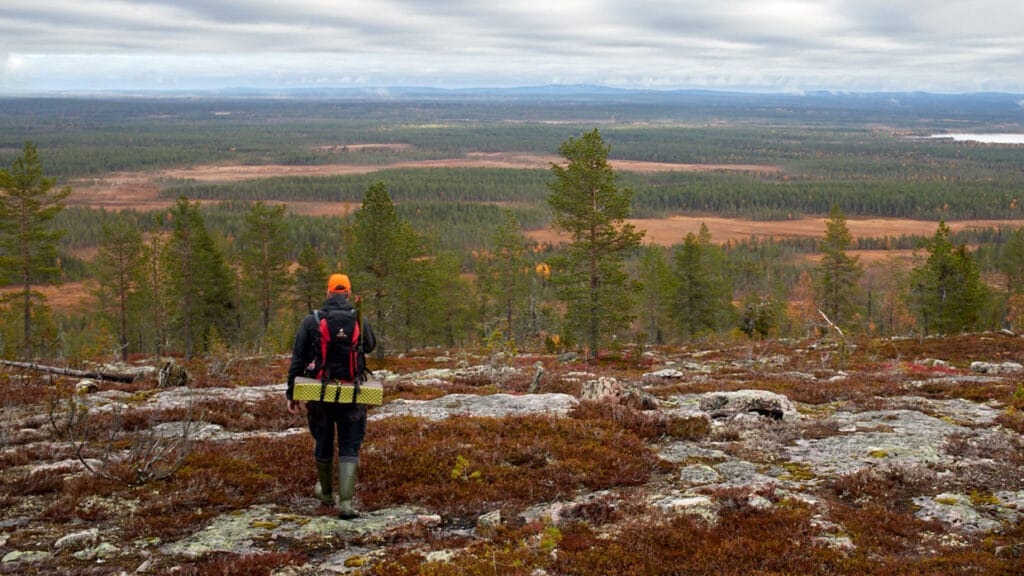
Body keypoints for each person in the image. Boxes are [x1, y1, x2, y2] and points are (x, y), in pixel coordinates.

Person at [287, 273, 376, 519]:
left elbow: (298, 359)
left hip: (319, 394)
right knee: (349, 445)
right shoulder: (358, 318)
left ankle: (326, 493)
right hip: (353, 393)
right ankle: (345, 504)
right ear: (348, 293)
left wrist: (291, 393)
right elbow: (370, 346)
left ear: (328, 293)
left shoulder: (312, 320)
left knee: (323, 441)